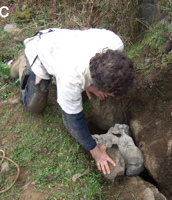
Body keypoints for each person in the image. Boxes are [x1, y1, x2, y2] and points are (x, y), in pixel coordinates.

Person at [10, 28, 134, 175]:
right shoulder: (71, 78)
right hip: (42, 50)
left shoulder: (115, 42)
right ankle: (23, 63)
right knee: (34, 106)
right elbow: (72, 120)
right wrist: (95, 151)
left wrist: (89, 83)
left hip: (65, 45)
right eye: (110, 93)